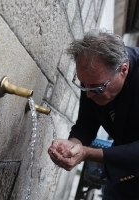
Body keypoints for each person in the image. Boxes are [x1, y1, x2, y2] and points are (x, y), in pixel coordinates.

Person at [48, 29, 139, 200]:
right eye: (84, 86)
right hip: (120, 174)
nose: (89, 95)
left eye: (96, 89)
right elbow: (86, 123)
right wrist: (72, 144)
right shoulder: (94, 79)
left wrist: (86, 153)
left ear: (123, 70)